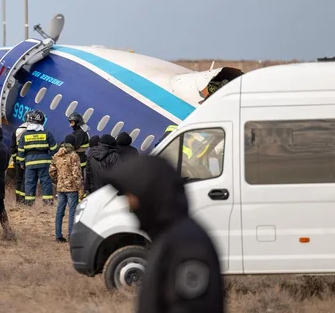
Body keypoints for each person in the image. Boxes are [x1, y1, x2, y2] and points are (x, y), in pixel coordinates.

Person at [102, 156, 224, 313]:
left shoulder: (188, 245)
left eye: (131, 195)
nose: (129, 203)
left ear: (149, 193)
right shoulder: (168, 237)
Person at [16, 110, 58, 206]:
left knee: (30, 183)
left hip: (30, 163)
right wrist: (53, 161)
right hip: (44, 162)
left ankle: (29, 204)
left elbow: (21, 151)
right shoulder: (47, 133)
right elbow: (54, 149)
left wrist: (22, 163)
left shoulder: (24, 135)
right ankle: (48, 204)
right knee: (46, 183)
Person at [49, 134, 83, 243]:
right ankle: (71, 235)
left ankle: (58, 235)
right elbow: (76, 174)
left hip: (60, 187)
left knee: (60, 211)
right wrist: (80, 188)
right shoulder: (74, 156)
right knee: (72, 212)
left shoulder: (56, 155)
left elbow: (52, 172)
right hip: (72, 188)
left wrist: (58, 180)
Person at [10, 119, 30, 204]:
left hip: (18, 160)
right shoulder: (32, 131)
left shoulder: (17, 130)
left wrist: (15, 160)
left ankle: (18, 200)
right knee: (26, 180)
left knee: (18, 180)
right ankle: (23, 200)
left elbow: (13, 148)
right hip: (28, 160)